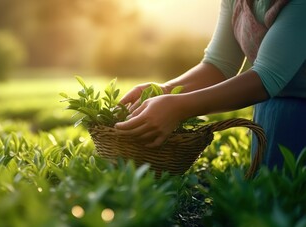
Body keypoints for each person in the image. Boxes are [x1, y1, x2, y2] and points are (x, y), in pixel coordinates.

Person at [114, 0, 306, 169]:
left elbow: (265, 78)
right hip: (269, 111)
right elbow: (218, 65)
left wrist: (177, 107)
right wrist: (164, 91)